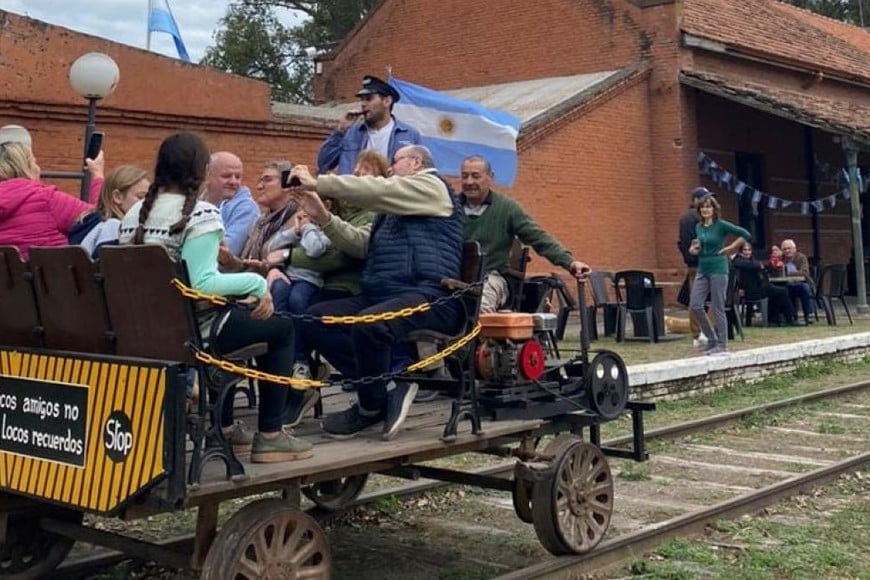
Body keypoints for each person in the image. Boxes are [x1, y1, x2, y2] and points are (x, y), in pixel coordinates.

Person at [118, 132, 312, 463]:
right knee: (280, 327)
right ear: (199, 171)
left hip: (143, 333)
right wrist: (255, 284)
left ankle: (223, 427)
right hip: (192, 335)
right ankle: (270, 436)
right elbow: (202, 285)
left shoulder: (132, 214)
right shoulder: (201, 213)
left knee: (239, 320)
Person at [290, 145, 463, 441]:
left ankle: (370, 407)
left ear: (416, 162)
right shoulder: (393, 208)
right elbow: (361, 244)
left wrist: (318, 182)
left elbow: (379, 188)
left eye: (395, 161)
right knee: (314, 319)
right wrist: (323, 217)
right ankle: (387, 389)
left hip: (430, 294)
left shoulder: (432, 186)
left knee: (370, 323)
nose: (391, 168)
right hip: (384, 294)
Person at [458, 155, 589, 313]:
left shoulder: (507, 209)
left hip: (491, 278)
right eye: (465, 176)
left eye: (475, 176)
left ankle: (479, 337)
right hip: (453, 276)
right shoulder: (449, 208)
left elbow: (538, 238)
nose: (469, 182)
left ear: (490, 177)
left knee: (479, 306)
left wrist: (570, 263)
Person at [0, 141, 103, 260]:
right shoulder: (45, 200)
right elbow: (100, 217)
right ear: (26, 167)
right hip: (55, 276)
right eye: (35, 162)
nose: (38, 168)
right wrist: (97, 174)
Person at [317, 75, 422, 175]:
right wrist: (340, 130)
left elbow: (421, 172)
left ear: (387, 101)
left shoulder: (409, 135)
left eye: (368, 99)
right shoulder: (351, 132)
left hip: (390, 193)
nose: (363, 104)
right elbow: (324, 163)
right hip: (353, 192)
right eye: (362, 99)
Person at [688, 194, 750, 356]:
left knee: (717, 306)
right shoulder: (698, 227)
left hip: (718, 268)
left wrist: (732, 247)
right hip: (703, 268)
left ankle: (722, 345)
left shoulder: (721, 225)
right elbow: (699, 246)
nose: (705, 210)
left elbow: (745, 234)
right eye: (703, 207)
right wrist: (694, 249)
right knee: (695, 304)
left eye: (709, 207)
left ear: (714, 209)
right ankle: (712, 339)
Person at [77, 165, 150, 258]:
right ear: (117, 197)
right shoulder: (114, 227)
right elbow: (106, 268)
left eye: (148, 198)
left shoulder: (88, 224)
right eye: (140, 197)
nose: (145, 203)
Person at [202, 151, 260, 256]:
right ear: (207, 176)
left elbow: (227, 251)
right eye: (226, 176)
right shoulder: (196, 202)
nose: (233, 182)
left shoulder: (246, 208)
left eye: (238, 177)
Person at [678, 187, 711, 347]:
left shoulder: (685, 218)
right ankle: (700, 332)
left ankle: (698, 333)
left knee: (696, 298)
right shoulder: (698, 217)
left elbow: (681, 243)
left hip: (692, 263)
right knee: (703, 299)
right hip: (702, 263)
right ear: (696, 200)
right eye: (704, 198)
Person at [733, 243, 797, 326]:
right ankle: (789, 319)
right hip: (751, 291)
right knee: (782, 291)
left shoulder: (752, 259)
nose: (747, 252)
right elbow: (752, 265)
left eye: (749, 250)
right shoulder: (738, 260)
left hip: (760, 287)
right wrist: (759, 265)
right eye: (745, 250)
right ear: (740, 251)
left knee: (779, 292)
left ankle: (775, 319)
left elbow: (762, 269)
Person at [780, 239, 816, 324]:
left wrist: (788, 273)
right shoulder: (780, 259)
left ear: (794, 249)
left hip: (801, 283)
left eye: (789, 248)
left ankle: (809, 314)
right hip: (787, 285)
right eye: (784, 249)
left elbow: (804, 273)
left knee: (805, 288)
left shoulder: (801, 257)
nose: (787, 251)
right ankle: (789, 315)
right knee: (781, 290)